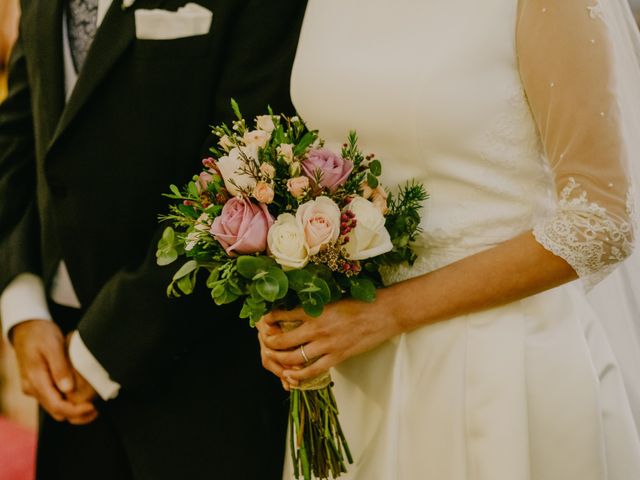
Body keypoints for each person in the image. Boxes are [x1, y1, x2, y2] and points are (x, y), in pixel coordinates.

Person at [258, 0, 640, 478]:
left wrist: (387, 313)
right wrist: (290, 287)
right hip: (352, 359)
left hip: (496, 364)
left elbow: (601, 222)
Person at [0, 1, 307, 479]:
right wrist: (21, 305)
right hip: (57, 349)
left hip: (197, 366)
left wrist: (104, 345)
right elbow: (22, 131)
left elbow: (251, 166)